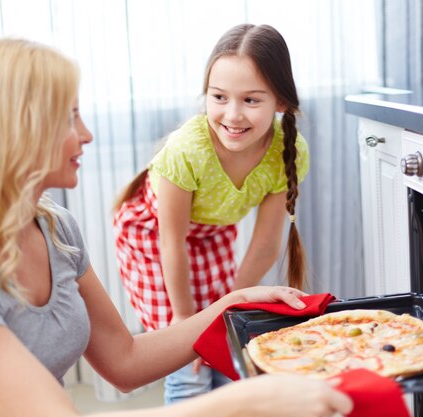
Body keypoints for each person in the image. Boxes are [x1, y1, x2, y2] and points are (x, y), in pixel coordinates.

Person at [0, 38, 353, 417]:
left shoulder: (56, 229)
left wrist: (235, 302)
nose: (86, 134)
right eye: (70, 117)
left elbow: (125, 362)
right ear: (14, 131)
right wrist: (245, 403)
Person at [113, 23, 310, 404]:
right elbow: (171, 243)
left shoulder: (289, 150)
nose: (232, 115)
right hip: (154, 240)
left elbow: (266, 244)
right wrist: (187, 323)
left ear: (280, 102)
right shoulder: (187, 149)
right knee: (188, 363)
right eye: (219, 97)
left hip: (212, 233)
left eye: (251, 100)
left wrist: (231, 307)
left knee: (225, 347)